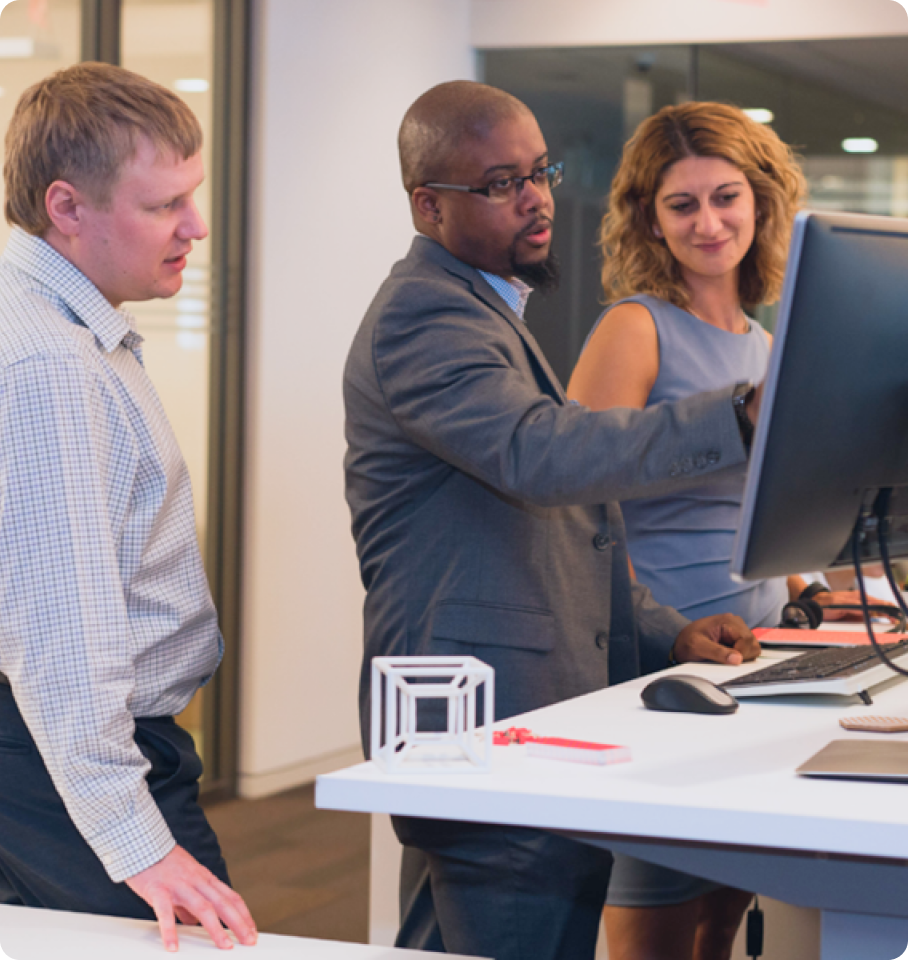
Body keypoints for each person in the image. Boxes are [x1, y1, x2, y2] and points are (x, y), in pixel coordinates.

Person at [343, 80, 761, 960]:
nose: (536, 198)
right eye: (500, 184)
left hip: (512, 714)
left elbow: (570, 536)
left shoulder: (491, 309)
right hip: (481, 717)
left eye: (539, 172)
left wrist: (668, 635)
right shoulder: (426, 315)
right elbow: (545, 459)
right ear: (429, 206)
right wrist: (742, 418)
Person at [567, 101, 870, 960]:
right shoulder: (637, 328)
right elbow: (576, 500)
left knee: (720, 925)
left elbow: (757, 505)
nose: (709, 222)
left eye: (726, 197)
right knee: (654, 925)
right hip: (665, 657)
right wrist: (656, 632)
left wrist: (813, 587)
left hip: (760, 654)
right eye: (682, 204)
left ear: (761, 201)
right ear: (649, 221)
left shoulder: (767, 345)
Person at [0, 63, 256, 953]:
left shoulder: (57, 328)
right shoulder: (52, 364)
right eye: (163, 206)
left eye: (193, 195)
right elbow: (57, 623)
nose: (197, 226)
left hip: (50, 752)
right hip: (67, 758)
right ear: (66, 208)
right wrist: (136, 840)